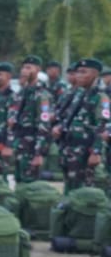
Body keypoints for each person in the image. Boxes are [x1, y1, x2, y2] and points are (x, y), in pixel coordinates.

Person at [52, 58, 107, 193]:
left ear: (95, 74)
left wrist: (96, 152)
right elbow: (68, 118)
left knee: (83, 192)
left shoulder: (101, 97)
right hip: (70, 149)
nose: (79, 76)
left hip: (85, 151)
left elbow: (104, 125)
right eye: (77, 72)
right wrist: (59, 127)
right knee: (70, 187)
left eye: (83, 72)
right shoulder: (78, 94)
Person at [7, 55, 52, 184]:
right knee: (19, 180)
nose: (24, 71)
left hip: (32, 147)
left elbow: (44, 125)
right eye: (23, 68)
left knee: (30, 184)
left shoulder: (42, 95)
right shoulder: (21, 93)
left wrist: (39, 153)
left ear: (38, 69)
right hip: (19, 143)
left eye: (28, 67)